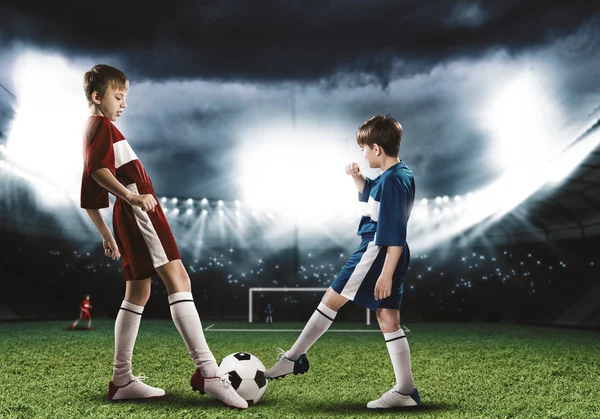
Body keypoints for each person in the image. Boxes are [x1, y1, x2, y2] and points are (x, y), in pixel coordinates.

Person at [80, 64, 247, 409]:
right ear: (97, 97)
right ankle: (209, 373)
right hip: (139, 211)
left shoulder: (96, 129)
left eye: (125, 97)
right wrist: (132, 198)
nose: (123, 103)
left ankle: (122, 379)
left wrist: (106, 233)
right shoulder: (101, 126)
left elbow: (90, 188)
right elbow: (97, 173)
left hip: (129, 213)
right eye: (118, 96)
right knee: (178, 278)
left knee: (139, 289)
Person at [264, 115, 419, 410]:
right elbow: (372, 196)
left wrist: (385, 274)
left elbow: (395, 233)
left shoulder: (394, 181)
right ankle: (406, 391)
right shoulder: (397, 174)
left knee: (330, 301)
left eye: (363, 148)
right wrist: (356, 178)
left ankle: (292, 360)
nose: (361, 153)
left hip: (377, 250)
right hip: (385, 251)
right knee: (388, 319)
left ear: (376, 149)